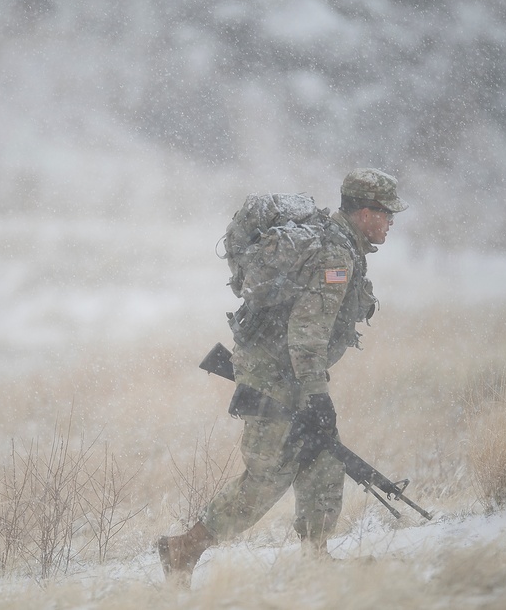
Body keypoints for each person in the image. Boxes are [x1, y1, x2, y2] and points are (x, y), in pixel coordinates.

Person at [158, 168, 408, 586]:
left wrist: (312, 390)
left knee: (324, 455)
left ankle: (316, 557)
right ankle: (183, 548)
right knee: (270, 472)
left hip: (290, 370)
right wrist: (316, 394)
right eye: (386, 213)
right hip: (276, 373)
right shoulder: (335, 254)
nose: (391, 222)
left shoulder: (341, 245)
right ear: (365, 213)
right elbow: (307, 330)